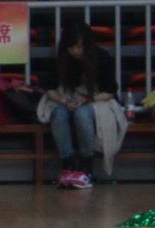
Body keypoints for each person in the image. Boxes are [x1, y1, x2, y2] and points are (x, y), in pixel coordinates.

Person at [41, 18, 118, 189]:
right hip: (68, 99)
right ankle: (67, 165)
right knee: (58, 114)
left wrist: (88, 100)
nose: (75, 51)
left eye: (79, 47)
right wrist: (64, 101)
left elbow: (110, 91)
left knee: (82, 114)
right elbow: (50, 88)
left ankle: (86, 167)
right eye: (71, 47)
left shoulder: (102, 57)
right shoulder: (62, 59)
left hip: (98, 99)